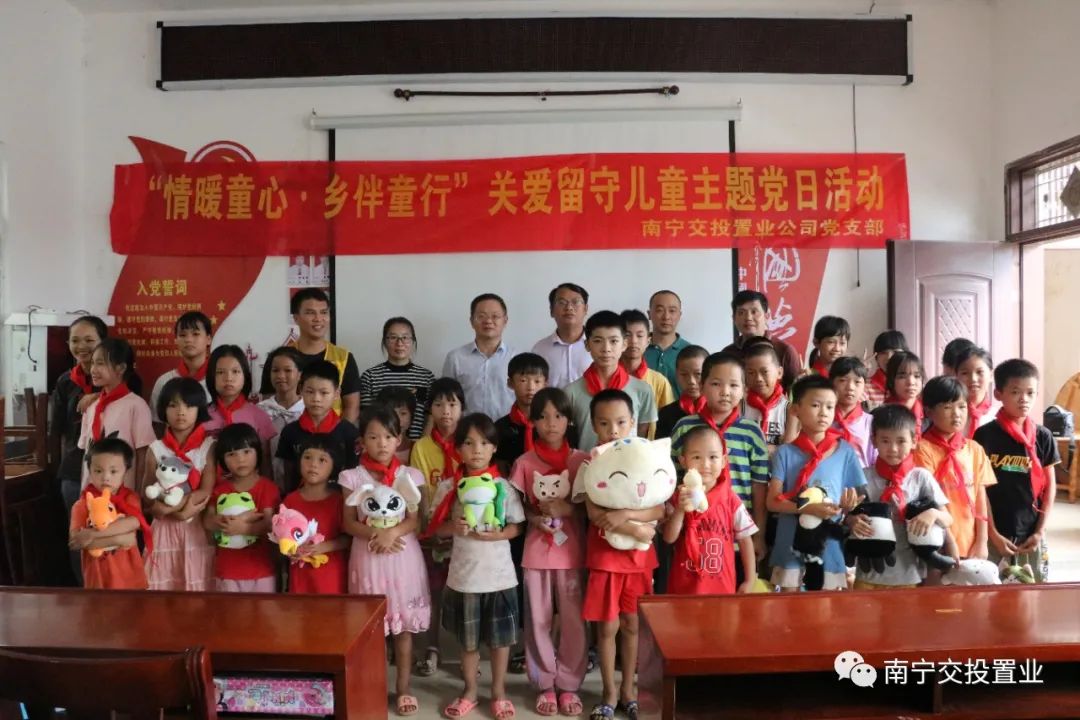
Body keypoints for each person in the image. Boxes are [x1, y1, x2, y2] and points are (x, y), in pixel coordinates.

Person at [426, 414, 525, 720]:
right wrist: (452, 527)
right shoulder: (449, 487)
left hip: (499, 577)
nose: (477, 450)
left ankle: (498, 692)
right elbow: (435, 528)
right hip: (465, 577)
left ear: (494, 448)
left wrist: (499, 534)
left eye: (484, 443)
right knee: (468, 643)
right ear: (458, 449)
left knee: (500, 642)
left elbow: (517, 526)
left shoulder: (502, 487)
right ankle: (469, 690)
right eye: (468, 443)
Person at [573, 390, 664, 720]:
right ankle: (609, 692)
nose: (613, 430)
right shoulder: (590, 464)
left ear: (633, 423)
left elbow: (659, 507)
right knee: (607, 628)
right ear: (593, 425)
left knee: (632, 625)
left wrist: (627, 516)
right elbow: (595, 513)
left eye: (621, 422)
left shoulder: (645, 460)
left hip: (639, 561)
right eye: (604, 423)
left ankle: (630, 690)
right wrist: (637, 530)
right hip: (605, 559)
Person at [339, 405, 430, 717]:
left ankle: (404, 689)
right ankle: (374, 688)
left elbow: (415, 519)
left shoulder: (410, 475)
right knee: (373, 631)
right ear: (362, 440)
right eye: (373, 437)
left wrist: (392, 533)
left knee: (403, 629)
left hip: (403, 556)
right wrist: (376, 534)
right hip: (368, 558)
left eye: (388, 436)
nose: (381, 443)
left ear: (399, 439)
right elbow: (349, 522)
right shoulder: (352, 477)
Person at [508, 387, 589, 717]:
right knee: (538, 619)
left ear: (569, 420)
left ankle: (568, 684)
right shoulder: (524, 462)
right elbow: (518, 507)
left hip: (572, 553)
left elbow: (593, 508)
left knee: (573, 620)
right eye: (542, 417)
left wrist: (567, 509)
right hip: (536, 553)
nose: (551, 423)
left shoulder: (582, 460)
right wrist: (535, 518)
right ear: (533, 422)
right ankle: (544, 683)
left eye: (558, 416)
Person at [669, 353, 770, 565]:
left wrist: (759, 534)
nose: (725, 392)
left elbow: (759, 486)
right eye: (716, 384)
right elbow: (672, 480)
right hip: (693, 532)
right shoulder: (684, 427)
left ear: (744, 390)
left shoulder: (752, 432)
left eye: (734, 385)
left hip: (738, 536)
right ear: (702, 386)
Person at [766, 375, 865, 592]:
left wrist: (849, 507)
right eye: (815, 405)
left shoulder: (845, 451)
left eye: (830, 407)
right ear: (795, 410)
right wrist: (808, 508)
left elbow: (856, 499)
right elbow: (772, 502)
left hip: (828, 542)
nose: (824, 413)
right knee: (789, 603)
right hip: (790, 541)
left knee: (826, 604)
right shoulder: (784, 453)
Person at [850, 404, 953, 590]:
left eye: (901, 441)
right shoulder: (863, 477)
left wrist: (932, 514)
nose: (893, 448)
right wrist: (852, 521)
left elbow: (948, 518)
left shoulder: (920, 477)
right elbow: (846, 516)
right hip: (869, 572)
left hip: (908, 573)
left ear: (914, 441)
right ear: (874, 440)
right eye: (885, 441)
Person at [976, 359, 1059, 583]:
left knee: (1032, 587)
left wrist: (1040, 531)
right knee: (992, 588)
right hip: (995, 531)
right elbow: (980, 489)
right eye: (1015, 392)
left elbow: (1050, 487)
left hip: (1031, 532)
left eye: (1030, 393)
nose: (1024, 399)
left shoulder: (1043, 436)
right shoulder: (985, 435)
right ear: (998, 394)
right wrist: (992, 533)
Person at [408, 377, 465, 679]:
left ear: (462, 408)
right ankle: (432, 646)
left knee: (465, 592)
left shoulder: (470, 441)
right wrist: (429, 530)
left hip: (464, 531)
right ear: (430, 409)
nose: (446, 411)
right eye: (439, 404)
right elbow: (419, 494)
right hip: (432, 531)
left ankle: (467, 651)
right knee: (432, 591)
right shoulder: (421, 446)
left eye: (452, 404)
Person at [663, 426, 758, 595]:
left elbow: (745, 541)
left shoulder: (731, 500)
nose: (705, 465)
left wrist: (750, 580)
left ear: (724, 461)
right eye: (696, 457)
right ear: (683, 461)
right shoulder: (678, 497)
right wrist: (680, 510)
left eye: (713, 457)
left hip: (721, 589)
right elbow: (669, 538)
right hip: (683, 589)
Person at [143, 377, 217, 591]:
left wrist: (172, 509)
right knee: (162, 591)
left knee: (198, 590)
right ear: (163, 409)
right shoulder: (156, 448)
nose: (181, 412)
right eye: (173, 405)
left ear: (199, 409)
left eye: (189, 405)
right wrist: (160, 508)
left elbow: (206, 490)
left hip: (196, 527)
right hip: (163, 531)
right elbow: (147, 492)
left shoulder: (208, 446)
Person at [914, 376, 996, 566]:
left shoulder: (974, 449)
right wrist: (949, 542)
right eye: (947, 407)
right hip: (937, 541)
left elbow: (980, 498)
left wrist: (982, 541)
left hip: (971, 540)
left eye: (962, 406)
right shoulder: (922, 449)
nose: (957, 414)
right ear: (929, 411)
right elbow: (929, 499)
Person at [52, 315, 107, 579]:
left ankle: (110, 588)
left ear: (103, 342)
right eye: (75, 340)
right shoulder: (65, 381)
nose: (81, 346)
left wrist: (98, 396)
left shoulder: (120, 377)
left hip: (109, 472)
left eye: (89, 340)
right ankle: (83, 588)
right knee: (78, 534)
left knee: (108, 532)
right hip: (74, 470)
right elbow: (59, 431)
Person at [565, 311, 657, 451]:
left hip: (628, 462)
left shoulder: (642, 390)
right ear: (587, 345)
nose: (606, 349)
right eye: (598, 341)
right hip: (588, 463)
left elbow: (641, 437)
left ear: (624, 344)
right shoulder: (571, 392)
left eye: (613, 341)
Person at [205, 423, 280, 592]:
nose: (240, 459)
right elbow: (207, 521)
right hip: (228, 570)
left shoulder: (268, 488)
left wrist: (244, 528)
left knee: (264, 610)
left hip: (262, 570)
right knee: (230, 610)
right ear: (222, 460)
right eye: (231, 454)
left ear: (258, 452)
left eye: (246, 452)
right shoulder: (219, 490)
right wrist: (224, 521)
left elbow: (270, 524)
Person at [69, 437, 150, 590]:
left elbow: (134, 522)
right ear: (89, 470)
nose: (106, 477)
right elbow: (76, 541)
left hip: (130, 578)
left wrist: (92, 534)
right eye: (98, 471)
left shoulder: (129, 498)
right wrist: (119, 539)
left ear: (126, 471)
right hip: (98, 579)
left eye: (113, 471)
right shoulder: (82, 504)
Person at [77, 338, 154, 492]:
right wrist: (83, 491)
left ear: (121, 368)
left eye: (100, 363)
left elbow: (143, 454)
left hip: (122, 493)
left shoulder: (136, 405)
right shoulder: (91, 406)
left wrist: (138, 494)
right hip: (92, 492)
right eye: (92, 363)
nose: (93, 370)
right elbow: (86, 453)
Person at [276, 360, 361, 491]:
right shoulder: (290, 431)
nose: (316, 399)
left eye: (324, 393)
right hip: (299, 499)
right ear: (301, 390)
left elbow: (354, 474)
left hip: (338, 499)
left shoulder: (349, 432)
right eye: (310, 392)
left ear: (337, 393)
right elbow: (288, 475)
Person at [280, 435, 350, 593]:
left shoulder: (339, 501)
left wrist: (324, 547)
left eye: (322, 460)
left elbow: (349, 538)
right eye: (307, 457)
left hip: (332, 577)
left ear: (334, 466)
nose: (313, 464)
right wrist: (290, 550)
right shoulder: (290, 501)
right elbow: (281, 537)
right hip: (300, 576)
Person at [287, 288, 362, 425]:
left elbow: (352, 407)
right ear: (296, 318)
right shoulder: (282, 358)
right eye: (310, 313)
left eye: (324, 312)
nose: (318, 319)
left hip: (334, 435)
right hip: (291, 434)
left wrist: (339, 435)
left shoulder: (344, 358)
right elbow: (271, 404)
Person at [204, 345, 277, 476]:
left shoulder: (259, 416)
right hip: (211, 485)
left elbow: (265, 462)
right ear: (211, 376)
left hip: (250, 486)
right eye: (220, 372)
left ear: (245, 375)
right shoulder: (201, 416)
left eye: (235, 371)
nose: (228, 378)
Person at [443, 293, 516, 420]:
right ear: (471, 321)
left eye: (495, 316)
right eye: (481, 316)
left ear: (505, 321)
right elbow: (446, 398)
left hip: (508, 428)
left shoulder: (516, 357)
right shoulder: (455, 358)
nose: (488, 321)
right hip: (467, 428)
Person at [359, 317, 436, 439]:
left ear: (413, 341)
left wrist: (422, 445)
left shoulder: (426, 377)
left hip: (417, 445)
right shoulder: (370, 377)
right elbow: (366, 418)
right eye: (393, 337)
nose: (399, 343)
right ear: (384, 341)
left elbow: (432, 417)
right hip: (381, 445)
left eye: (405, 337)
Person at [722, 290, 803, 390]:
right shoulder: (727, 354)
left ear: (767, 315)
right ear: (734, 318)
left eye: (754, 312)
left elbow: (796, 391)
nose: (748, 318)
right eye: (741, 313)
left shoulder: (785, 350)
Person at [621, 309, 675, 439]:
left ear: (648, 341)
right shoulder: (608, 376)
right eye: (627, 335)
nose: (633, 341)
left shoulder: (659, 381)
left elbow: (668, 421)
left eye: (640, 336)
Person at [257, 346, 305, 491]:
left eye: (287, 370)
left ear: (300, 374)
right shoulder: (260, 411)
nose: (280, 375)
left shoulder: (309, 410)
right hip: (268, 486)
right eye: (275, 370)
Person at [150, 311, 213, 420]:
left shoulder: (218, 380)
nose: (188, 340)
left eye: (195, 334)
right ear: (176, 340)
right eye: (182, 335)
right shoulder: (164, 381)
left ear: (208, 339)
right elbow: (157, 423)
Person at [495, 353, 550, 470]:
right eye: (523, 380)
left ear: (545, 384)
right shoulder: (500, 428)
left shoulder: (554, 424)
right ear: (510, 383)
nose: (530, 387)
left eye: (537, 381)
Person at [531, 283, 592, 389]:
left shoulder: (599, 346)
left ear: (586, 309)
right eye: (562, 302)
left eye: (576, 302)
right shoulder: (540, 349)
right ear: (551, 310)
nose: (569, 307)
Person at [742, 339, 796, 451]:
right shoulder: (740, 406)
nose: (758, 378)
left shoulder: (789, 410)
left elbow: (789, 450)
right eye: (751, 373)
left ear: (779, 373)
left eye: (764, 372)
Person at [830, 356, 877, 468]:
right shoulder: (823, 419)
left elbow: (876, 460)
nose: (850, 387)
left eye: (857, 382)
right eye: (843, 380)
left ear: (864, 386)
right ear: (831, 383)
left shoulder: (871, 422)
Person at [655, 345, 708, 441]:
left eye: (698, 374)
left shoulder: (719, 411)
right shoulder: (666, 414)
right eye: (684, 374)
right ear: (676, 375)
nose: (691, 381)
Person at [644, 290, 691, 394]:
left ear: (679, 315)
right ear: (649, 314)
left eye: (672, 311)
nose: (666, 317)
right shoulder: (636, 349)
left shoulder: (691, 352)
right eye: (659, 310)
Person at [955, 346, 1001, 438]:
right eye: (965, 373)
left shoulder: (999, 418)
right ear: (956, 376)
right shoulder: (950, 415)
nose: (973, 379)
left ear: (991, 375)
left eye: (979, 372)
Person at [885, 351, 926, 440]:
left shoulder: (929, 413)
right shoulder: (883, 415)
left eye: (917, 376)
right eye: (902, 376)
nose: (911, 382)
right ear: (891, 380)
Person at [376, 386, 419, 463]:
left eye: (403, 413)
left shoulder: (419, 448)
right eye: (391, 412)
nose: (397, 419)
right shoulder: (370, 448)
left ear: (411, 417)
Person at [867, 330, 908, 408]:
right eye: (883, 352)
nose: (889, 357)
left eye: (895, 352)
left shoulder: (913, 385)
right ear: (876, 357)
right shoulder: (864, 386)